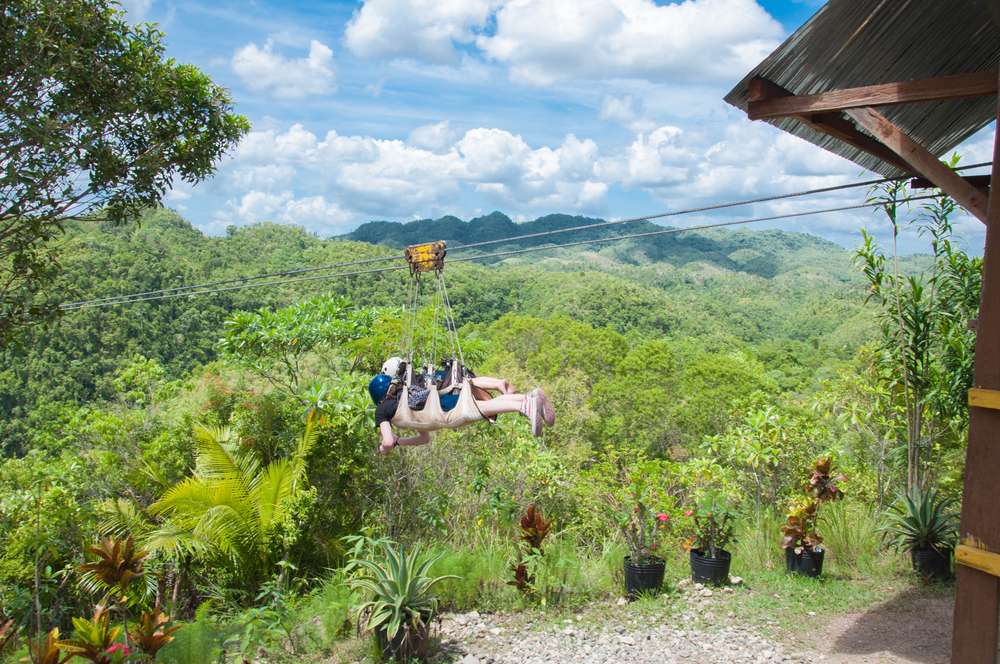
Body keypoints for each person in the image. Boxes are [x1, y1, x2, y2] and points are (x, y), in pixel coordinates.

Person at [368, 357, 555, 455]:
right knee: (484, 406)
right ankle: (528, 399)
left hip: (445, 413)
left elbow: (387, 441)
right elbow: (424, 438)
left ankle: (525, 406)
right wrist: (399, 441)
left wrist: (386, 448)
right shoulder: (404, 399)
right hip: (444, 403)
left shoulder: (383, 411)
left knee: (480, 409)